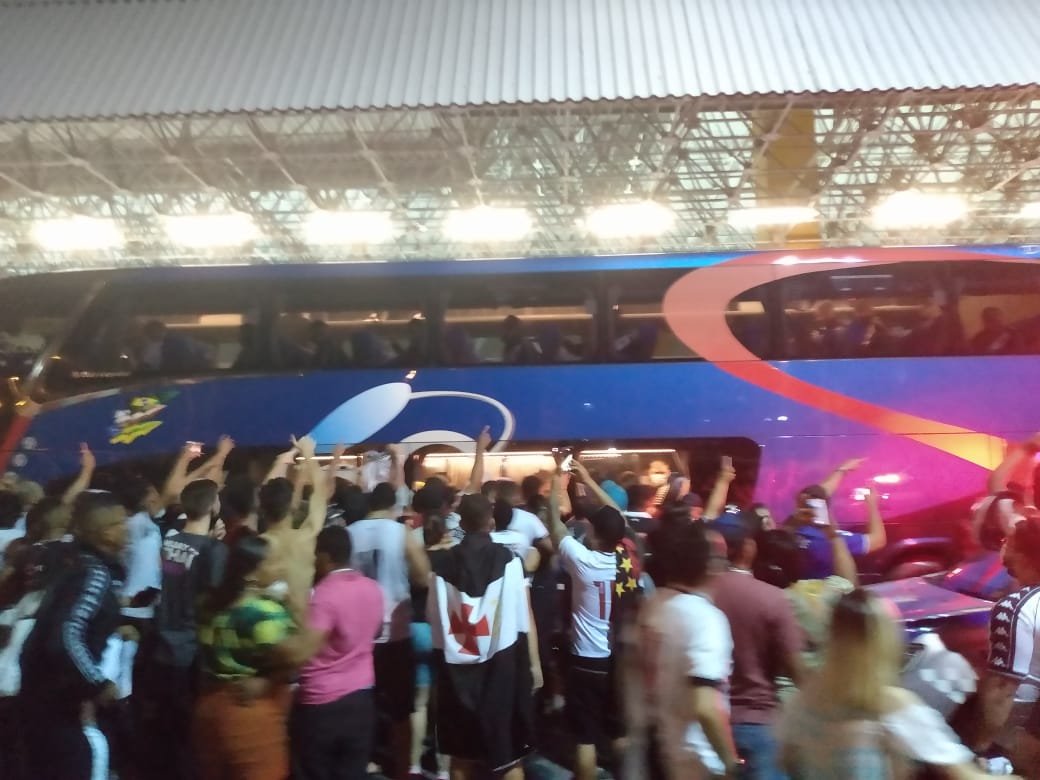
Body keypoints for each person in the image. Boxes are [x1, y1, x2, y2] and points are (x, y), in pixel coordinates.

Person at [778, 589, 1006, 780]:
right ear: (883, 641)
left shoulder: (805, 701)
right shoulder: (893, 706)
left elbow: (787, 761)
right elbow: (965, 775)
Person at [426, 494, 540, 779]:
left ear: (462, 523)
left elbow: (433, 616)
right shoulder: (509, 561)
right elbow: (522, 616)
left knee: (461, 755)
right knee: (508, 756)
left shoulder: (441, 564)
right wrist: (534, 664)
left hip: (456, 669)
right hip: (502, 666)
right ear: (490, 521)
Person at [193, 535, 323, 780]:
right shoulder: (261, 613)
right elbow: (297, 654)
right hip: (247, 714)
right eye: (274, 562)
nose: (282, 567)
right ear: (251, 574)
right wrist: (299, 607)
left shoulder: (210, 602)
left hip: (209, 708)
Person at [19, 492, 128, 780]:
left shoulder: (76, 562)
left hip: (41, 693)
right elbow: (67, 634)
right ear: (104, 532)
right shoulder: (94, 574)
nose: (127, 529)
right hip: (59, 700)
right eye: (121, 523)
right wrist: (96, 683)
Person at [139, 478, 229, 780]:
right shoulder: (213, 550)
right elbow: (214, 599)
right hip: (191, 649)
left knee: (166, 726)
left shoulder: (170, 541)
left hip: (163, 643)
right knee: (188, 731)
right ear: (213, 505)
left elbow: (180, 577)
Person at [548, 478, 636, 780]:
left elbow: (554, 524)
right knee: (617, 730)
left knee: (585, 737)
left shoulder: (583, 560)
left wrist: (556, 482)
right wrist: (585, 476)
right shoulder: (626, 560)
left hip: (586, 660)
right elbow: (617, 518)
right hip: (618, 658)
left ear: (593, 532)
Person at [636, 519, 739, 779]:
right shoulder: (707, 619)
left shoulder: (660, 607)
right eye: (722, 558)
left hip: (666, 752)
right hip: (701, 762)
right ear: (711, 565)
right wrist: (731, 764)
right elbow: (705, 706)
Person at [710, 510, 804, 780]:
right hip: (758, 723)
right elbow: (797, 669)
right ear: (748, 547)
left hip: (704, 724)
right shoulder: (773, 598)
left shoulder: (696, 597)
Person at [348, 479, 431, 780]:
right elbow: (422, 575)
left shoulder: (349, 533)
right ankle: (403, 768)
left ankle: (364, 761)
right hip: (395, 631)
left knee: (362, 703)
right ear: (393, 505)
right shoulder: (400, 532)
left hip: (359, 633)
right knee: (400, 709)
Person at [290, 526, 384, 780]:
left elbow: (305, 649)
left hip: (322, 702)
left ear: (325, 556)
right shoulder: (372, 588)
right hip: (362, 697)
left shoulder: (325, 594)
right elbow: (375, 631)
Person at [972, 515, 1040, 767]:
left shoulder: (1015, 608)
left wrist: (982, 749)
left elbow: (1003, 690)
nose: (1002, 546)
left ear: (1022, 555)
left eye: (1007, 541)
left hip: (1024, 735)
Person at [260, 434, 328, 623]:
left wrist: (281, 462)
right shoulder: (305, 539)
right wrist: (308, 454)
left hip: (265, 629)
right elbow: (320, 494)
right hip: (300, 626)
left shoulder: (256, 546)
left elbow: (263, 495)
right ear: (292, 506)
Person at [787, 459, 885, 579]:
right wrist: (872, 505)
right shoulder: (832, 540)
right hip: (827, 590)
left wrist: (842, 470)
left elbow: (816, 496)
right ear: (827, 510)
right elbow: (878, 540)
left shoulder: (792, 530)